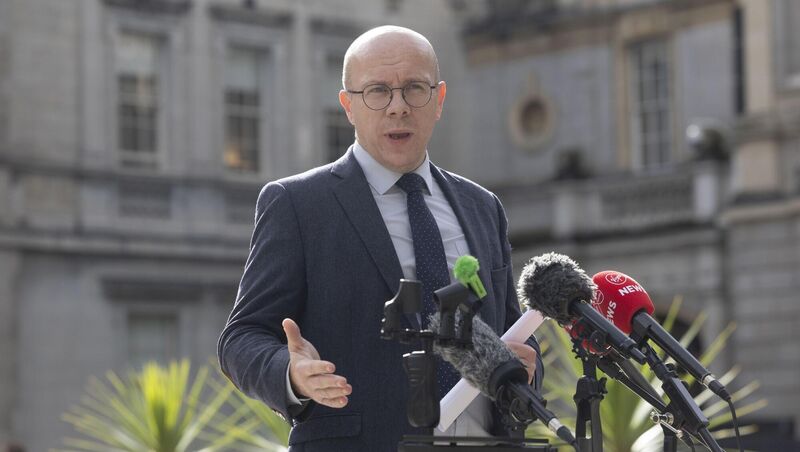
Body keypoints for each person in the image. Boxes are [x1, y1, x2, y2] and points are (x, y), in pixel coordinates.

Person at [218, 25, 542, 452]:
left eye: (414, 89)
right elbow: (240, 339)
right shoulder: (297, 204)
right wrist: (290, 373)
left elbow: (510, 329)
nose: (398, 107)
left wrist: (529, 367)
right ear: (348, 106)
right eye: (377, 91)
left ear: (439, 99)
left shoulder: (482, 206)